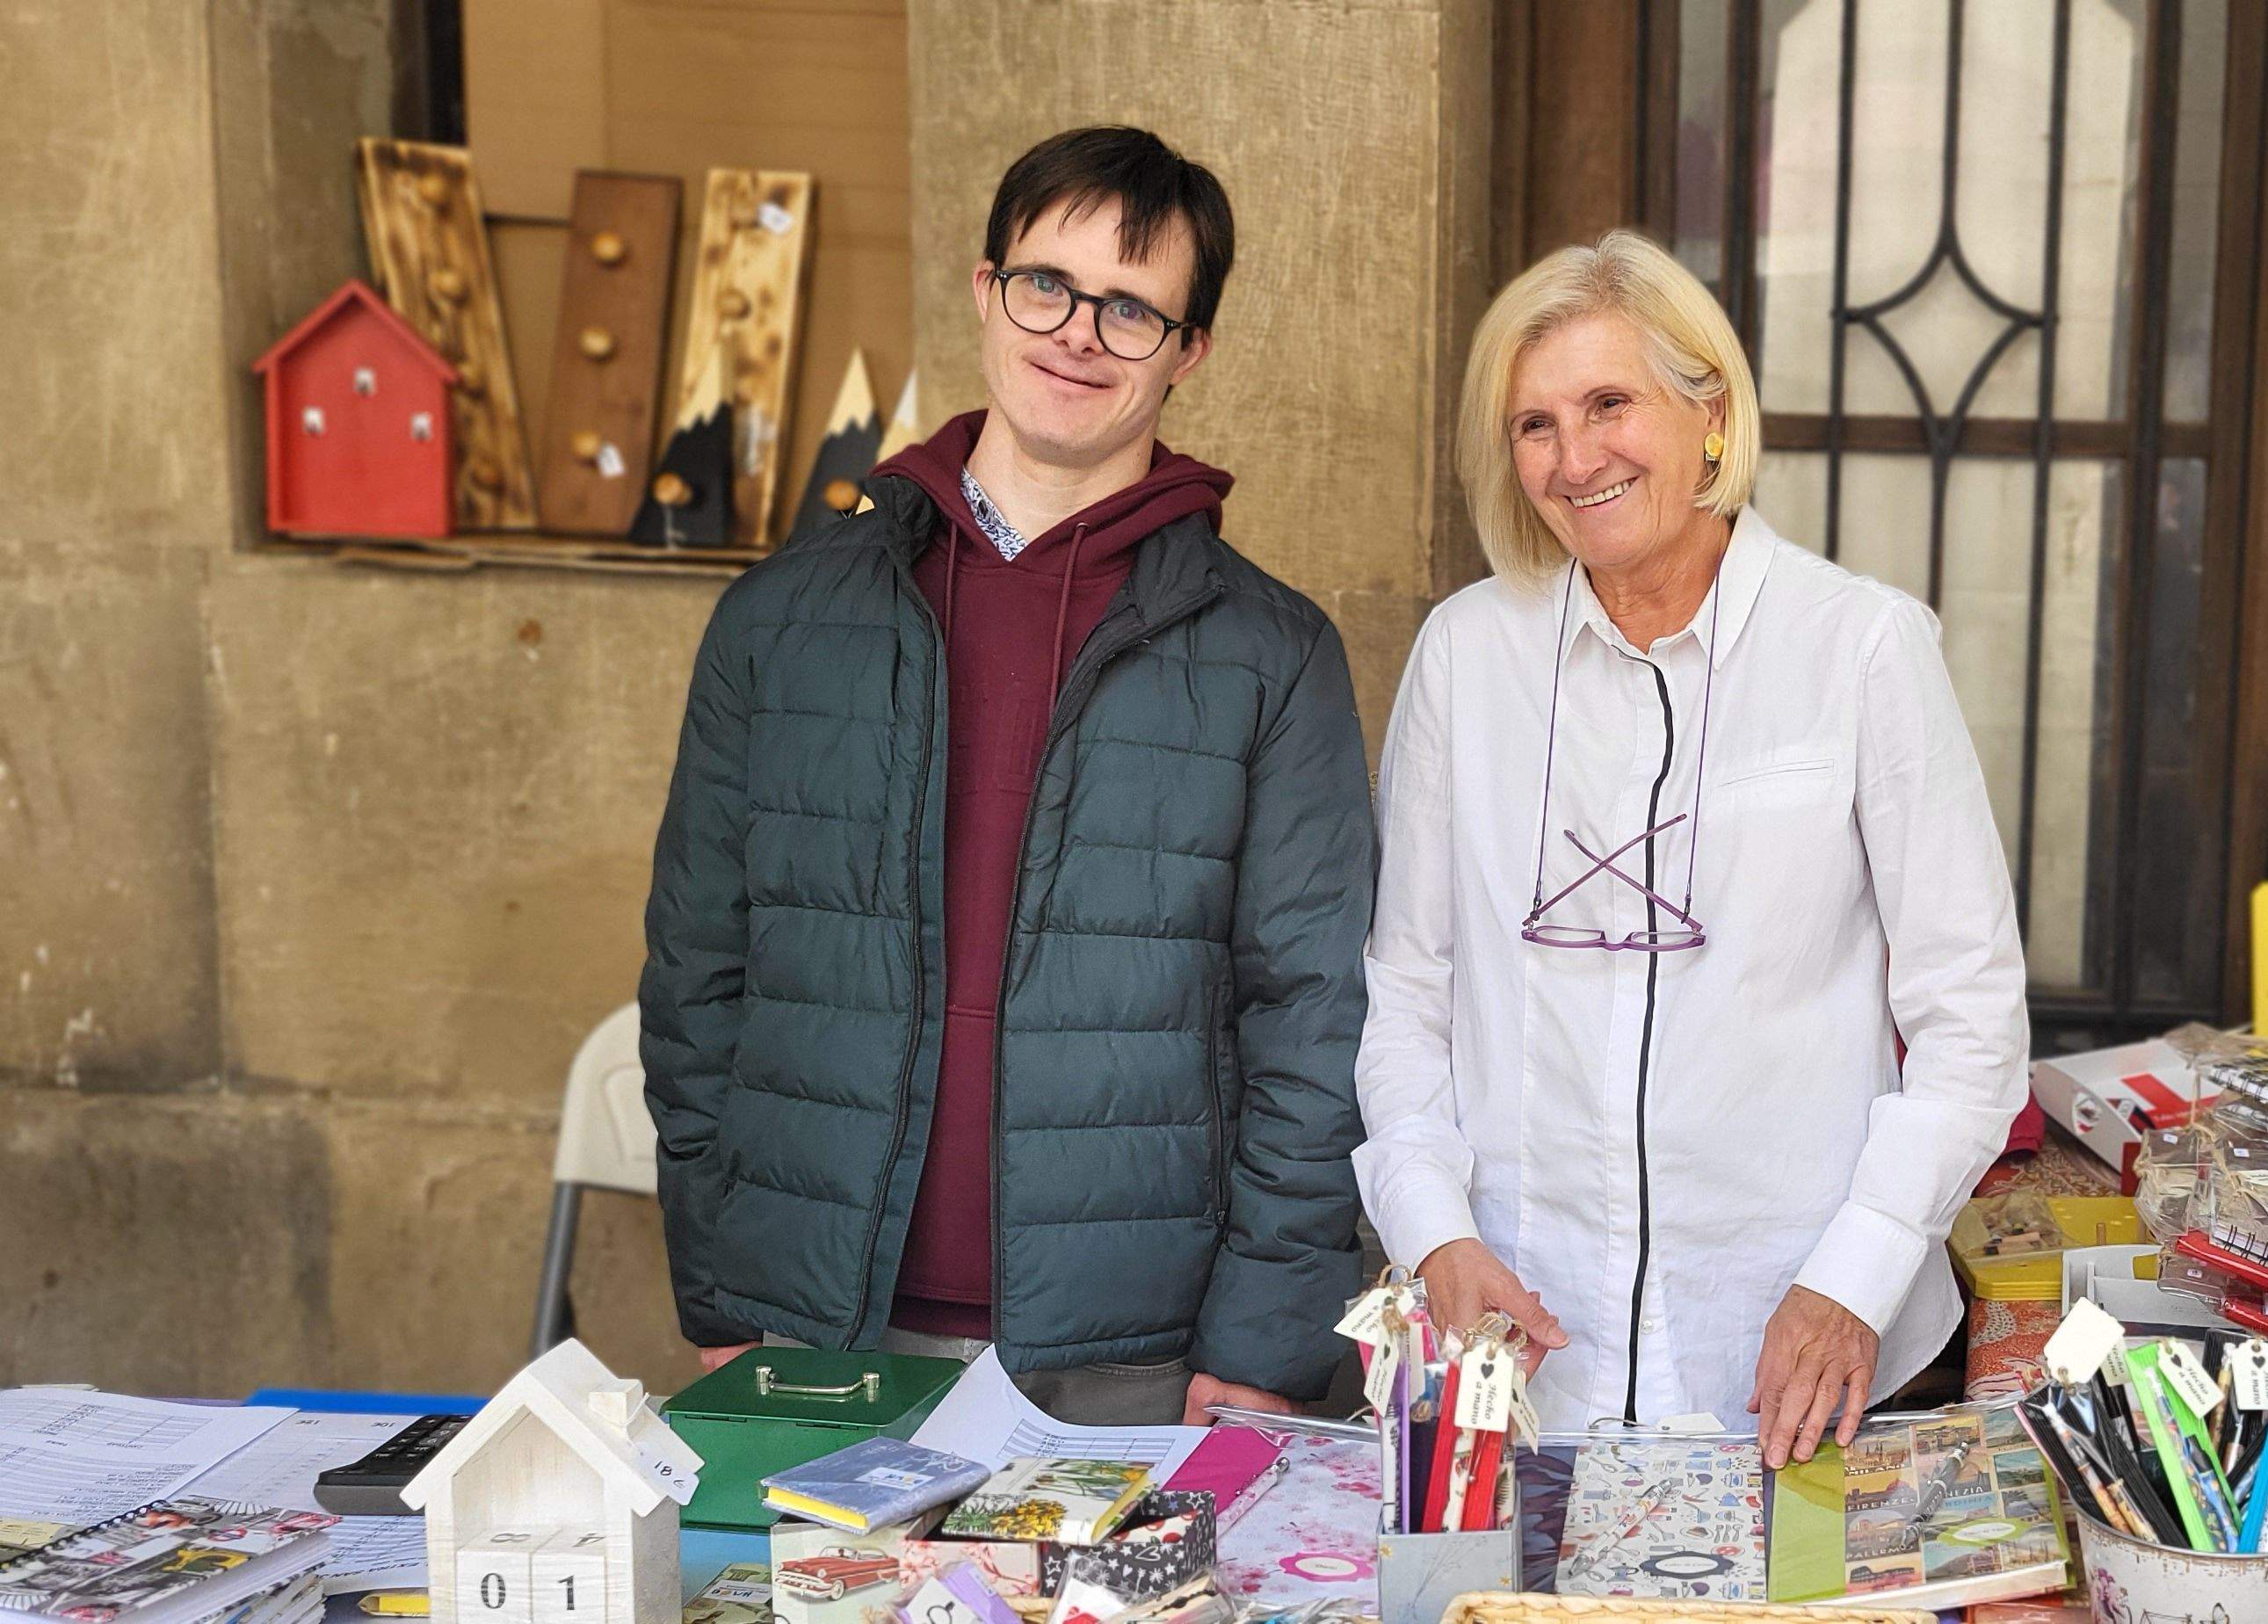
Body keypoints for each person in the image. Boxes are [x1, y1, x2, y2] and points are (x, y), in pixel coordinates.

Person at [638, 127, 1373, 1424]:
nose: (1078, 333)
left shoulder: (1270, 655)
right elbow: (698, 975)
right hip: (815, 1325)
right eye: (1047, 285)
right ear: (987, 291)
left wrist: (1264, 1343)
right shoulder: (784, 619)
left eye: (1132, 308)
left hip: (1138, 1356)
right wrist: (724, 1285)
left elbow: (1313, 1022)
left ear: (1189, 351)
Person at [1353, 229, 2029, 1466]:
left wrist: (1855, 1278)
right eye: (1536, 424)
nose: (1576, 459)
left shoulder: (1863, 648)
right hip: (1526, 1357)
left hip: (1800, 1361)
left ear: (1711, 414)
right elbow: (1408, 989)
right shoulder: (1464, 654)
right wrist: (1433, 1232)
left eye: (1610, 404)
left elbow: (1971, 1022)